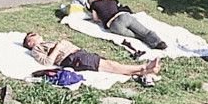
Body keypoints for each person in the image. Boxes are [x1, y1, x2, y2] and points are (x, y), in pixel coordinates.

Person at [22, 32, 160, 80]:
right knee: (110, 66)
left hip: (79, 54)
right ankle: (144, 67)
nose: (38, 35)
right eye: (34, 35)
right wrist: (58, 47)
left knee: (110, 65)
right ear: (30, 42)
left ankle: (144, 71)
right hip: (73, 59)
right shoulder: (36, 49)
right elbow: (46, 62)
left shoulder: (45, 43)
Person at [85, 0, 167, 50]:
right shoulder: (113, 1)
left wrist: (102, 18)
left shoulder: (94, 4)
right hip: (124, 16)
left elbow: (95, 19)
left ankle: (153, 44)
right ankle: (159, 42)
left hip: (114, 26)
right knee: (144, 31)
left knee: (137, 36)